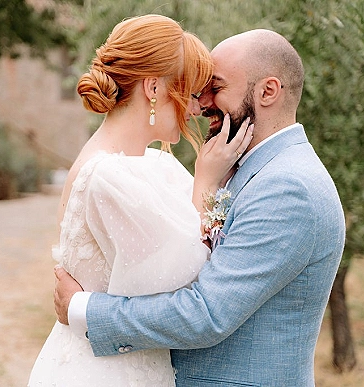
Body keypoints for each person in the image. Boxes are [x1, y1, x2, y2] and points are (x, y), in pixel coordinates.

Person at [54, 29, 346, 386]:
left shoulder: (288, 187)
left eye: (216, 87)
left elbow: (206, 313)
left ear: (267, 92)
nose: (201, 102)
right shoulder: (246, 169)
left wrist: (82, 308)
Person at [27, 15, 253, 386]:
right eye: (192, 92)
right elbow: (187, 276)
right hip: (103, 373)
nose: (198, 108)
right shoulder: (107, 177)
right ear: (153, 88)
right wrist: (208, 180)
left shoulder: (156, 164)